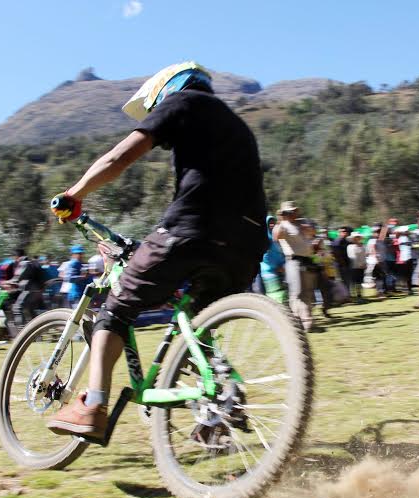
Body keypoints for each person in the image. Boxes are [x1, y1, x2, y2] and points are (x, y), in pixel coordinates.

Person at [46, 61, 267, 439]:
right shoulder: (235, 124)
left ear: (166, 91)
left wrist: (73, 194)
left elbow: (120, 157)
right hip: (247, 243)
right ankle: (221, 410)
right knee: (199, 324)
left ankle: (93, 405)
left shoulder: (184, 101)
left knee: (113, 312)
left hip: (194, 227)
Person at [273, 202, 317, 332]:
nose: (292, 213)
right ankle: (298, 321)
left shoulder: (301, 223)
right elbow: (276, 237)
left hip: (307, 260)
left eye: (293, 211)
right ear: (283, 213)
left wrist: (307, 229)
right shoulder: (283, 225)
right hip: (293, 261)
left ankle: (307, 320)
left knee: (307, 291)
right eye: (288, 212)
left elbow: (313, 232)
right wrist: (281, 220)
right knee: (296, 292)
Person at [7, 250, 46, 326]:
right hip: (38, 291)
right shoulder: (33, 263)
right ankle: (37, 330)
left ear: (16, 257)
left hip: (29, 291)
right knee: (31, 310)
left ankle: (20, 331)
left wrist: (7, 282)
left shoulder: (23, 263)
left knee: (17, 308)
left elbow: (17, 278)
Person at [331, 226, 352, 294]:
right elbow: (336, 254)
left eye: (345, 231)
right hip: (340, 264)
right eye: (342, 231)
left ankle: (347, 295)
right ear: (339, 233)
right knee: (341, 281)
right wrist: (343, 264)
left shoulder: (346, 241)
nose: (344, 233)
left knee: (347, 280)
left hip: (346, 263)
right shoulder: (337, 241)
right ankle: (344, 296)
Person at [346, 232, 366, 302]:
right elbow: (351, 256)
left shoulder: (363, 246)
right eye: (355, 237)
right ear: (353, 239)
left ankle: (360, 296)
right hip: (354, 267)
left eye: (358, 237)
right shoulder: (350, 247)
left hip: (361, 267)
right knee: (354, 282)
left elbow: (364, 256)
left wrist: (364, 264)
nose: (357, 238)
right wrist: (360, 263)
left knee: (360, 282)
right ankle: (355, 297)